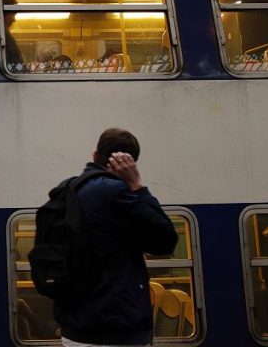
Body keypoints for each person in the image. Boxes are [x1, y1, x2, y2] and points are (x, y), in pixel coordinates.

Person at [55, 128, 178, 347]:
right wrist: (137, 185)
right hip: (113, 330)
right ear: (130, 163)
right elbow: (165, 240)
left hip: (76, 329)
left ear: (94, 156)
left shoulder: (68, 189)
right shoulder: (115, 192)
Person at [1, 0, 25, 70]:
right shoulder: (5, 37)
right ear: (2, 14)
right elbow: (18, 66)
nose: (14, 20)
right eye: (13, 14)